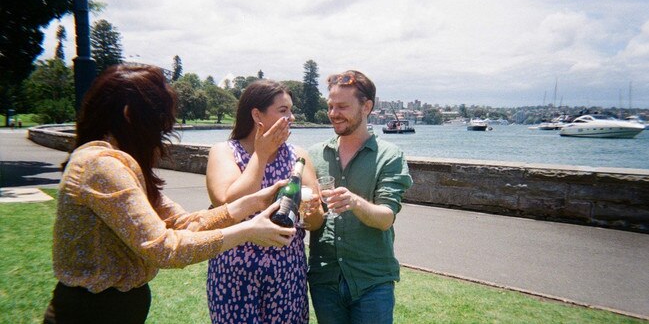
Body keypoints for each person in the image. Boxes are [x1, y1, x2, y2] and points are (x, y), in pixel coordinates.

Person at [43, 65, 296, 324]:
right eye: (159, 123)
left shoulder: (119, 163)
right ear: (129, 115)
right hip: (89, 312)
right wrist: (247, 231)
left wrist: (253, 202)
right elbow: (163, 248)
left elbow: (181, 222)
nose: (161, 136)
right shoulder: (100, 165)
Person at [205, 80, 323, 324]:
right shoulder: (224, 151)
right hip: (235, 271)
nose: (291, 117)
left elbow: (315, 221)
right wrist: (261, 154)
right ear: (256, 114)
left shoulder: (298, 156)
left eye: (291, 110)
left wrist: (312, 212)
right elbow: (228, 204)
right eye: (283, 111)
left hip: (286, 272)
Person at [308, 70, 413, 324]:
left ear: (367, 107)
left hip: (372, 282)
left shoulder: (389, 156)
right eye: (330, 106)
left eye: (342, 106)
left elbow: (386, 218)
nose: (333, 113)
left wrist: (354, 202)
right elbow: (311, 220)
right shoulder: (314, 156)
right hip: (325, 281)